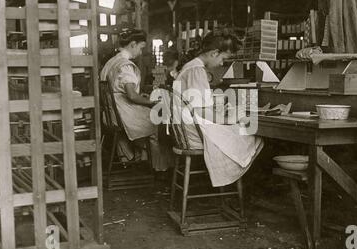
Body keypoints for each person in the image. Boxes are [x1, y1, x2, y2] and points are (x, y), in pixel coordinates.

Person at [172, 32, 264, 187]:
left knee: (241, 129)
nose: (222, 63)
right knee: (251, 134)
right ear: (214, 53)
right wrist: (228, 119)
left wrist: (218, 110)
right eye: (223, 59)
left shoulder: (189, 67)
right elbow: (201, 111)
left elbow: (198, 104)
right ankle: (244, 187)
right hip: (194, 134)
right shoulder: (197, 70)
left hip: (186, 130)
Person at [100, 28, 172, 172]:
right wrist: (153, 102)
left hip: (111, 115)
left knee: (154, 119)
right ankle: (158, 169)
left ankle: (137, 157)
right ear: (133, 44)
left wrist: (142, 98)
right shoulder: (125, 66)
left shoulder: (111, 63)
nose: (140, 52)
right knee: (160, 122)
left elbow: (121, 92)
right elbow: (132, 96)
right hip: (123, 115)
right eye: (141, 48)